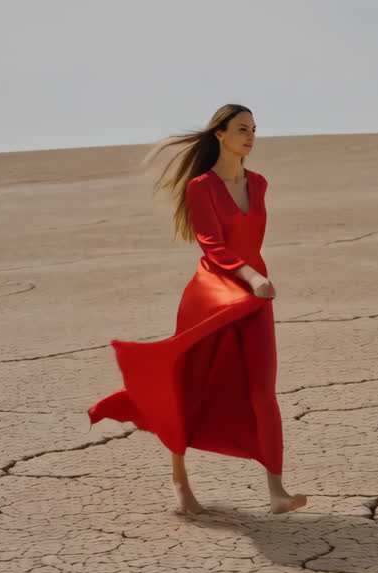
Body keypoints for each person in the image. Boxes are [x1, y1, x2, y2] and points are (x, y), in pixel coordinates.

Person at [88, 103, 308, 515]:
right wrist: (251, 276)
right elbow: (212, 243)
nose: (251, 136)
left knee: (262, 389)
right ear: (220, 134)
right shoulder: (201, 186)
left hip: (256, 294)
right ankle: (180, 484)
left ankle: (277, 489)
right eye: (242, 129)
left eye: (255, 129)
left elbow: (250, 239)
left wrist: (256, 281)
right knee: (186, 386)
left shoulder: (258, 183)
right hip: (214, 291)